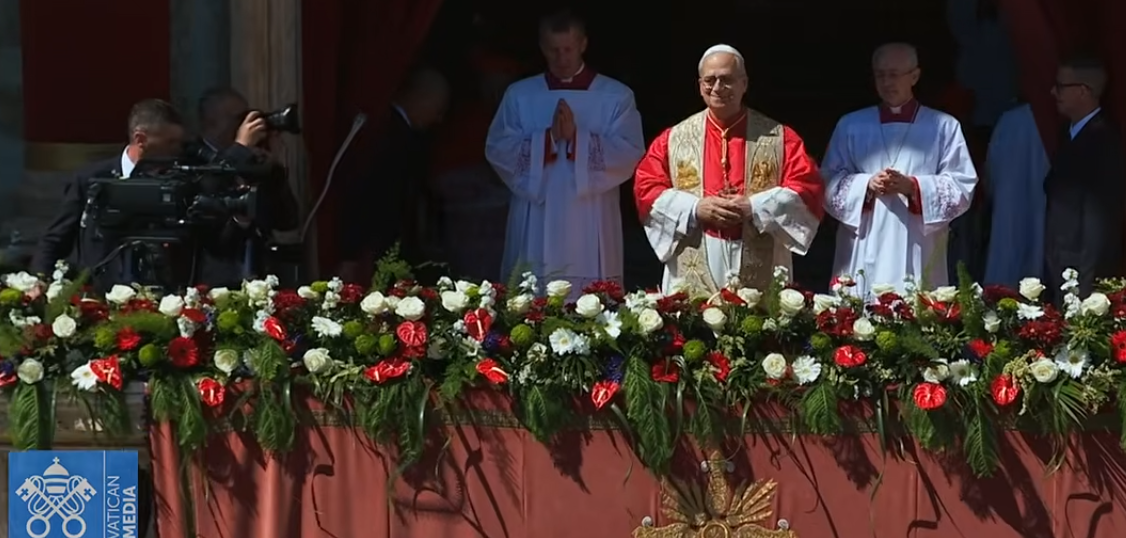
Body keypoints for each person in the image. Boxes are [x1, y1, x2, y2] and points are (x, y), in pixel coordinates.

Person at [633, 45, 824, 294]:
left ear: (744, 83)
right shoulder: (673, 138)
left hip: (757, 250)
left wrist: (753, 207)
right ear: (700, 85)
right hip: (698, 248)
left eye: (727, 80)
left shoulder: (779, 137)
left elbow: (808, 188)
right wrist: (695, 208)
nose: (717, 88)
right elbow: (646, 187)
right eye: (710, 80)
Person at [29, 99, 269, 288]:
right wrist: (39, 280)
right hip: (101, 299)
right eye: (170, 142)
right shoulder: (92, 178)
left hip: (168, 301)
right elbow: (55, 239)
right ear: (140, 139)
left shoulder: (182, 179)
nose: (178, 150)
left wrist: (239, 154)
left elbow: (215, 239)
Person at [485, 10, 644, 291]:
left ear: (583, 44)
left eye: (568, 49)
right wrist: (548, 139)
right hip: (537, 210)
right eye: (553, 50)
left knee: (591, 293)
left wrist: (576, 139)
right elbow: (498, 148)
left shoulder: (615, 95)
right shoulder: (520, 95)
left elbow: (630, 151)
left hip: (592, 213)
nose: (561, 58)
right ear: (541, 47)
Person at [822, 43, 978, 297]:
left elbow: (962, 185)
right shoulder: (851, 125)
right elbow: (827, 180)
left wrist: (913, 187)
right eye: (880, 74)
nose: (886, 82)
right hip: (865, 240)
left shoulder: (943, 126)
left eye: (894, 74)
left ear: (914, 76)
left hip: (918, 240)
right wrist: (866, 185)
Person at [336, 67, 449, 284]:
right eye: (439, 108)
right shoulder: (385, 134)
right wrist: (351, 253)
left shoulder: (395, 130)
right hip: (376, 246)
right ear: (422, 99)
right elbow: (364, 191)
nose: (438, 118)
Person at [192, 87, 301, 286]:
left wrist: (273, 169)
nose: (246, 125)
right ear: (211, 122)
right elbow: (208, 189)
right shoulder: (192, 156)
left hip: (261, 278)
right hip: (214, 281)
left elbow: (287, 221)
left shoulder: (250, 158)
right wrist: (240, 148)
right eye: (238, 118)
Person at [429, 51, 521, 282]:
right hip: (465, 215)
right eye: (493, 81)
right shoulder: (466, 119)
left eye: (503, 83)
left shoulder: (514, 117)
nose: (497, 89)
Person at [1043, 56, 1125, 300]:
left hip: (1081, 273)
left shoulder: (1104, 142)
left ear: (1082, 91)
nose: (1052, 92)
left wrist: (1087, 285)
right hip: (1059, 264)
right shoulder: (1068, 134)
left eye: (1060, 86)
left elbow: (1100, 220)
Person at [983, 102, 1049, 287]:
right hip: (1038, 202)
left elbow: (990, 169)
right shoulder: (1052, 119)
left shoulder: (1009, 120)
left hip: (1008, 203)